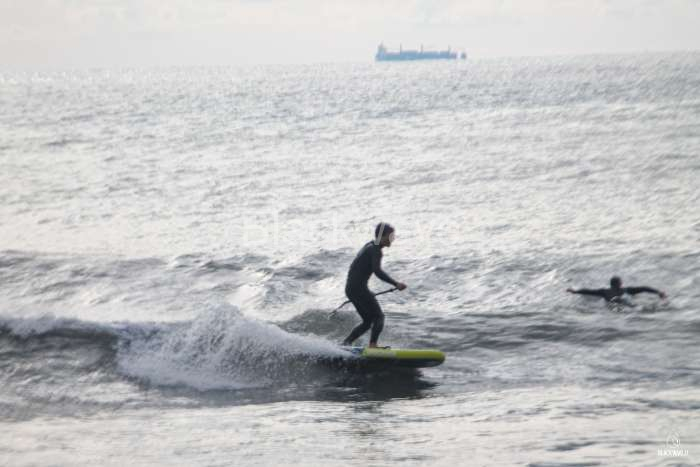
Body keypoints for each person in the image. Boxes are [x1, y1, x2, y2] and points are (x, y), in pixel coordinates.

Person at [342, 222, 407, 348]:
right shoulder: (376, 250)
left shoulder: (369, 246)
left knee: (367, 321)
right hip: (358, 289)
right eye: (390, 236)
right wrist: (396, 283)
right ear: (381, 236)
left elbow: (356, 271)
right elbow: (377, 271)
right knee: (379, 317)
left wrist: (365, 292)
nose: (392, 239)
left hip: (351, 289)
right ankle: (373, 345)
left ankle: (346, 344)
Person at [567, 276, 666, 304]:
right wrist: (658, 292)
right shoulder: (627, 290)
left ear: (611, 284)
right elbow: (644, 288)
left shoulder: (604, 291)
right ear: (620, 284)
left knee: (618, 301)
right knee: (628, 303)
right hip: (626, 303)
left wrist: (575, 291)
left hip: (613, 305)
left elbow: (588, 291)